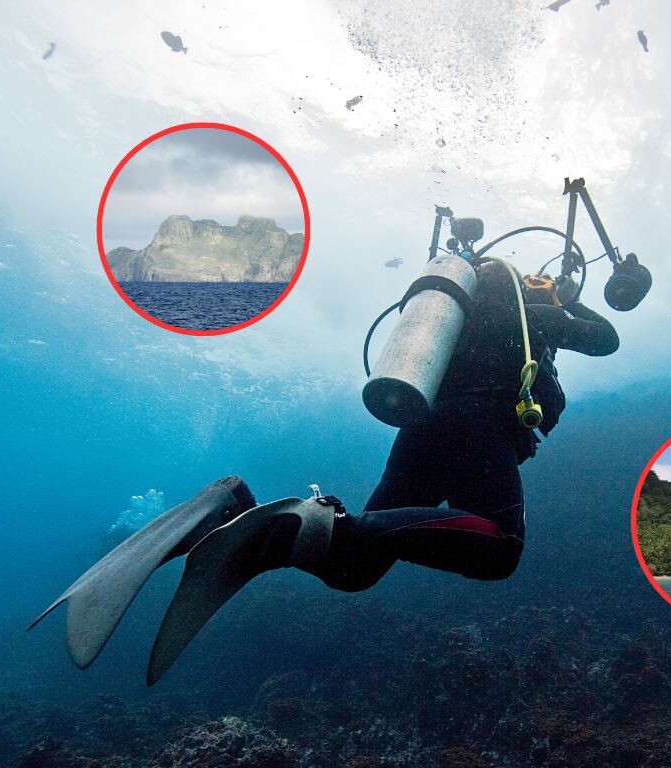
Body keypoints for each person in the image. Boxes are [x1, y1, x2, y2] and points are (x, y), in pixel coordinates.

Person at [31, 261, 619, 683]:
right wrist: (568, 295)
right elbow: (606, 340)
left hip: (421, 424)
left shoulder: (460, 305)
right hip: (480, 425)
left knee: (350, 561)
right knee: (503, 549)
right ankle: (286, 521)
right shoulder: (533, 296)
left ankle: (235, 503)